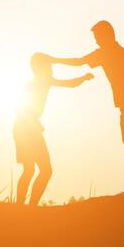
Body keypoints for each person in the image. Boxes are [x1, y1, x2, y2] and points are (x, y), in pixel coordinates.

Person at [51, 21, 124, 193]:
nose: (96, 41)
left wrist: (54, 60)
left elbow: (79, 62)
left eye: (97, 37)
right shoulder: (114, 53)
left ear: (107, 36)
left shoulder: (112, 54)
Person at [14, 53, 93, 205]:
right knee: (39, 170)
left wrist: (82, 78)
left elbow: (68, 84)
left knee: (36, 170)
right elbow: (68, 84)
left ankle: (26, 207)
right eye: (49, 65)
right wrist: (83, 78)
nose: (51, 69)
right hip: (26, 127)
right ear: (42, 67)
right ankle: (24, 207)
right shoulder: (41, 82)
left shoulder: (40, 82)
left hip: (27, 127)